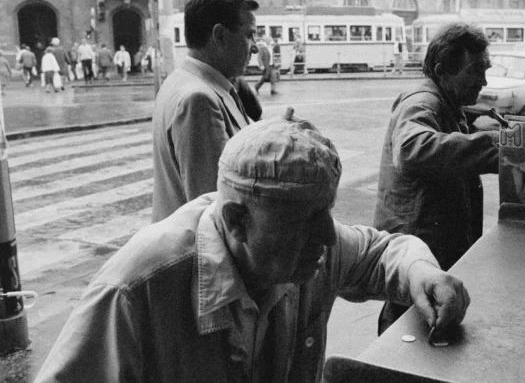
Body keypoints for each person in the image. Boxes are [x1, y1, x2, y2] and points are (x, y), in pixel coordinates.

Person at [34, 110, 470, 383]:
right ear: (236, 222)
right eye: (304, 220)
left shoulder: (312, 251)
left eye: (327, 212)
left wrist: (422, 272)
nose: (326, 235)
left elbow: (382, 252)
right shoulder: (136, 291)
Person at [373, 22, 499, 334]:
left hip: (429, 251)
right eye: (475, 70)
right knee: (406, 333)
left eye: (485, 69)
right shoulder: (422, 101)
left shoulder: (445, 102)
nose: (484, 80)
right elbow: (411, 149)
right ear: (442, 71)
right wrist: (497, 147)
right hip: (417, 251)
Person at [151, 0, 257, 222]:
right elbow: (215, 208)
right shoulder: (199, 100)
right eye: (249, 35)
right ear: (219, 35)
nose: (256, 46)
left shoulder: (182, 80)